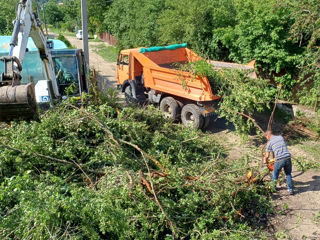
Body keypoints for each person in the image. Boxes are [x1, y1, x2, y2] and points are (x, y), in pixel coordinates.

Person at [264, 130, 294, 195]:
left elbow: (267, 156)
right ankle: (290, 189)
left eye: (266, 137)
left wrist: (265, 162)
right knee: (288, 174)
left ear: (268, 135)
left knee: (275, 174)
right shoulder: (280, 137)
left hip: (279, 159)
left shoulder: (269, 142)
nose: (267, 139)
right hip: (287, 157)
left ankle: (273, 188)